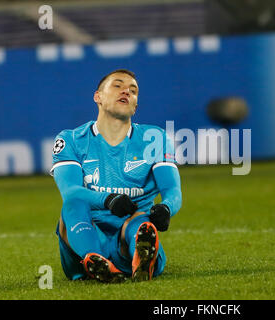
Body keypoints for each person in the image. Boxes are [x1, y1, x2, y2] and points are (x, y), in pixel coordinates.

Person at [50, 69, 182, 283]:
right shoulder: (71, 139)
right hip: (85, 230)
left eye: (133, 90)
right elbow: (70, 190)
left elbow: (172, 190)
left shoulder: (154, 138)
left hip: (131, 226)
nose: (126, 92)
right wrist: (107, 199)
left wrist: (167, 207)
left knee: (141, 222)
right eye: (117, 85)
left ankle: (138, 252)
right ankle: (94, 258)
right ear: (98, 97)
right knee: (72, 206)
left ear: (136, 106)